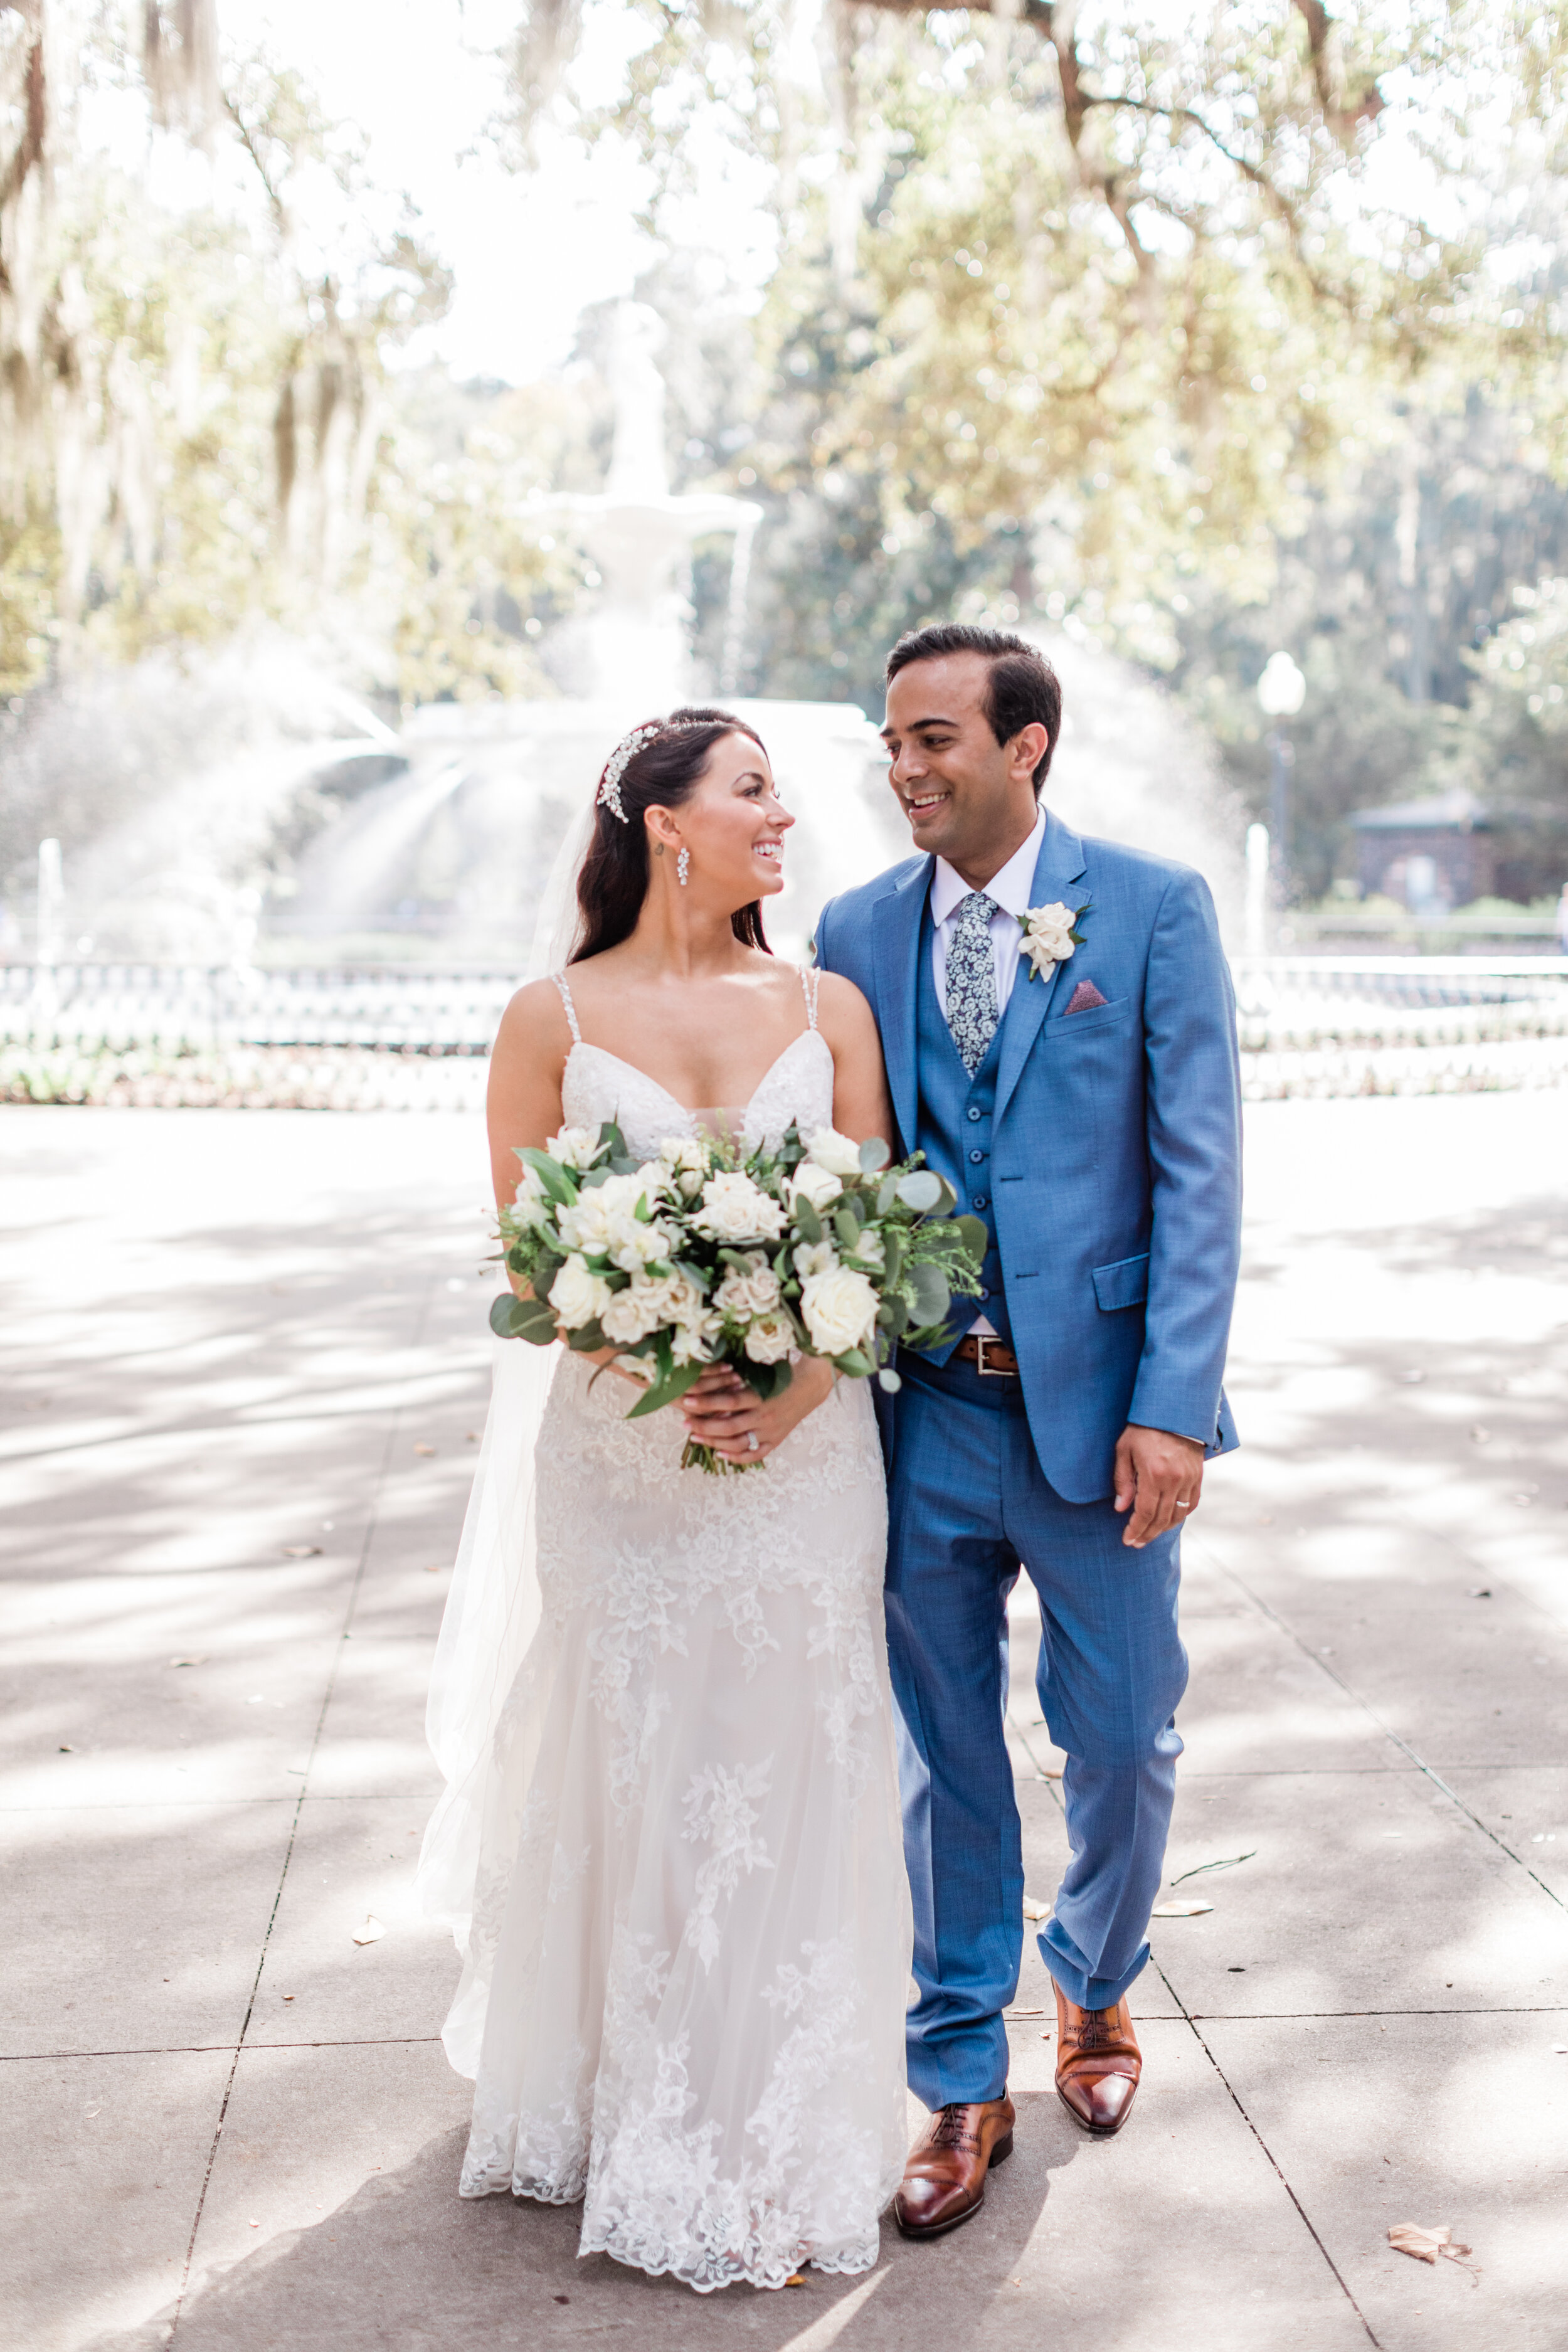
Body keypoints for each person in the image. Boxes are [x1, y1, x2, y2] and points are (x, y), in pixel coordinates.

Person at [418, 707, 913, 2294]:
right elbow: (526, 1256)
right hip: (620, 1457)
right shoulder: (547, 1017)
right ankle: (610, 2087)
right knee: (637, 1751)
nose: (787, 817)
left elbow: (884, 1233)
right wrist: (650, 1337)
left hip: (805, 1451)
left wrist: (793, 1386)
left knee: (787, 1754)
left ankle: (775, 2108)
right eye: (752, 790)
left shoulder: (826, 1001)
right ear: (662, 822)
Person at [815, 625, 1242, 2240]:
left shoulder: (1150, 908)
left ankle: (1095, 1983)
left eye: (933, 739)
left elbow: (1199, 1176)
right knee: (946, 1761)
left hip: (1103, 1428)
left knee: (1124, 1740)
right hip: (920, 1415)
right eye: (892, 742)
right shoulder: (852, 927)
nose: (904, 768)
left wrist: (1170, 1409)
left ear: (1026, 746)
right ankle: (956, 2078)